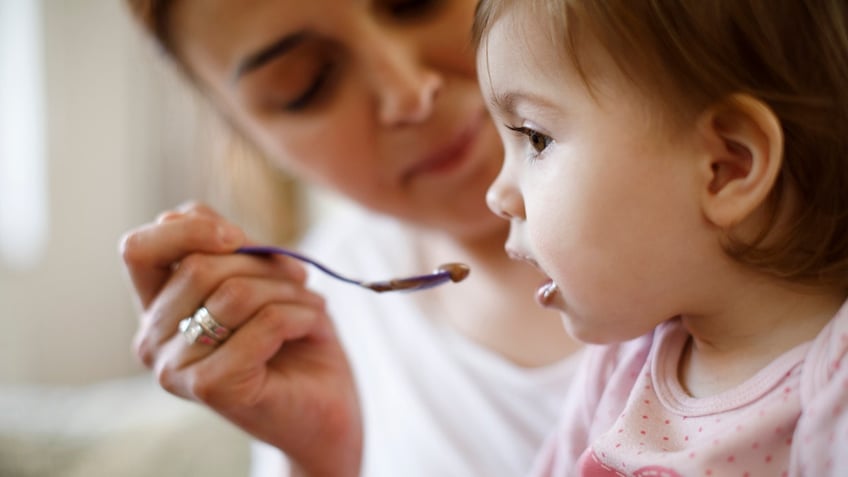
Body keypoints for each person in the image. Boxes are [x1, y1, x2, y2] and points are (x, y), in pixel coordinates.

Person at [119, 1, 583, 476]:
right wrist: (320, 461)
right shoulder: (305, 325)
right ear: (254, 141)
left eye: (416, 1)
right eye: (306, 83)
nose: (408, 94)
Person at [475, 0, 848, 475]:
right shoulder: (624, 363)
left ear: (725, 168)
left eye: (535, 138)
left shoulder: (832, 391)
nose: (497, 195)